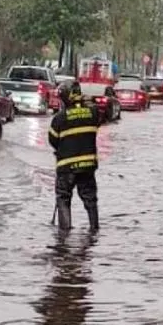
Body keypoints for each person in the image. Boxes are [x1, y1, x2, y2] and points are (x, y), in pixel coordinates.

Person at [48, 81, 102, 231]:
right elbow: (100, 119)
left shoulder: (59, 118)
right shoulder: (93, 113)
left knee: (63, 199)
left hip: (66, 167)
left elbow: (53, 141)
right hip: (88, 166)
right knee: (90, 199)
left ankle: (64, 234)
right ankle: (94, 229)